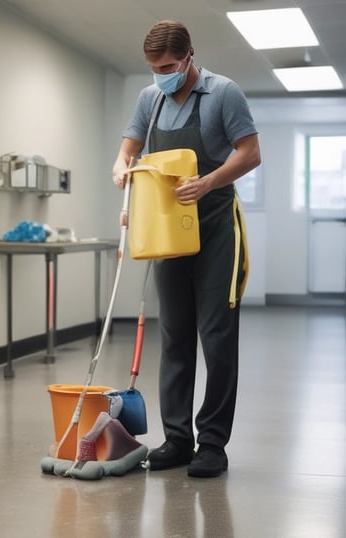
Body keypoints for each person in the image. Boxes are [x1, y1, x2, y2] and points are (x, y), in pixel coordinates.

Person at [112, 20, 261, 478]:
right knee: (174, 336)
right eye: (155, 67)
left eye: (170, 66)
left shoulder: (224, 93)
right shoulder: (150, 99)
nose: (162, 74)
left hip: (217, 227)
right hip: (167, 230)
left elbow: (250, 152)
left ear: (190, 56)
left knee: (216, 338)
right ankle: (177, 439)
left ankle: (212, 444)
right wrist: (123, 176)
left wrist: (209, 181)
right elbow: (128, 152)